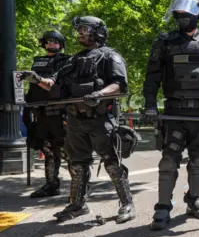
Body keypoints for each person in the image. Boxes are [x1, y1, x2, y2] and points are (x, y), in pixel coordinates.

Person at [21, 16, 135, 223]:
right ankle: (78, 204)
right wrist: (37, 80)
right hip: (75, 121)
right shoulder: (73, 60)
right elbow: (53, 83)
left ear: (98, 32)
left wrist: (99, 94)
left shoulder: (110, 56)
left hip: (100, 119)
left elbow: (120, 84)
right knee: (78, 164)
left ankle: (127, 204)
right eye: (79, 31)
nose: (80, 34)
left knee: (111, 163)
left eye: (85, 29)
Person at [142, 0, 199, 230]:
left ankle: (193, 199)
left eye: (186, 14)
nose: (181, 18)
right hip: (174, 113)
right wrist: (150, 104)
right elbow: (151, 77)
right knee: (169, 160)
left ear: (198, 14)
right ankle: (162, 207)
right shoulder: (164, 41)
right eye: (178, 14)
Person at [23, 30, 70, 198]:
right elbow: (33, 88)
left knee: (69, 151)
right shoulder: (38, 62)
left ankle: (79, 189)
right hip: (41, 113)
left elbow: (61, 85)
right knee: (48, 150)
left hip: (60, 113)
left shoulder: (67, 61)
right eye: (49, 41)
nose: (52, 44)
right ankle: (51, 184)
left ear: (61, 44)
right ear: (44, 44)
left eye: (55, 41)